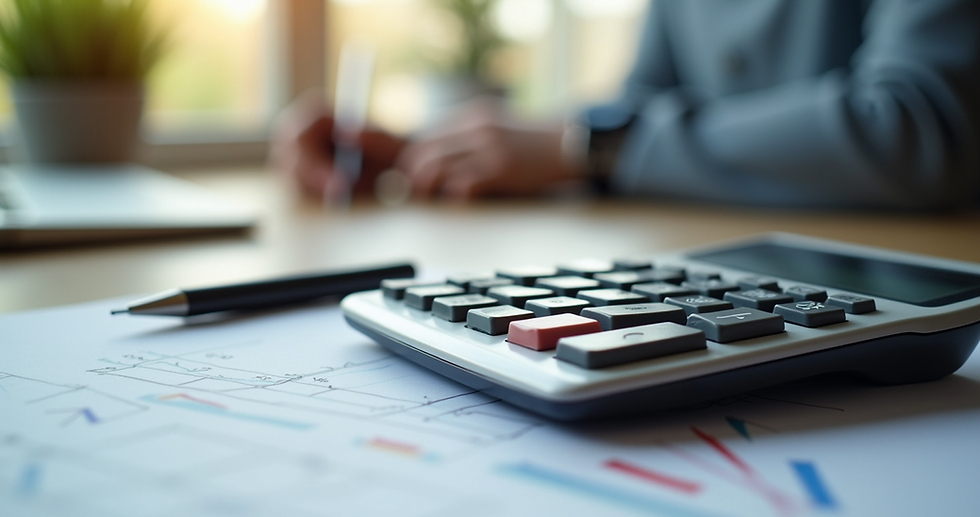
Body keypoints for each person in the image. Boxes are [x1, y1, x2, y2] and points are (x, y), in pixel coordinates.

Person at [274, 0, 980, 210]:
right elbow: (635, 107)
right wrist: (413, 148)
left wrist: (588, 147)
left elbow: (916, 126)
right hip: (729, 268)